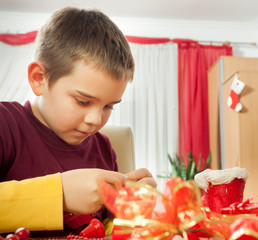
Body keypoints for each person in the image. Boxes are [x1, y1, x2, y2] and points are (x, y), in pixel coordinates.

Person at [0, 7, 156, 236]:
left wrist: (130, 214)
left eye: (108, 106)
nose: (95, 120)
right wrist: (58, 194)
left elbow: (105, 228)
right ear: (39, 79)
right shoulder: (6, 124)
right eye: (83, 101)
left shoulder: (103, 150)